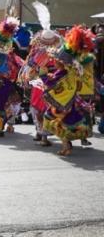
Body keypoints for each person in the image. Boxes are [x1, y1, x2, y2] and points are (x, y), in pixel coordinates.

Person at [41, 26, 96, 156]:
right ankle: (71, 143)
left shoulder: (64, 72)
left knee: (56, 121)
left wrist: (43, 75)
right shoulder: (75, 70)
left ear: (62, 62)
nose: (53, 61)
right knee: (67, 123)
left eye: (55, 60)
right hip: (74, 100)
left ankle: (66, 146)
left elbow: (52, 83)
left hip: (64, 102)